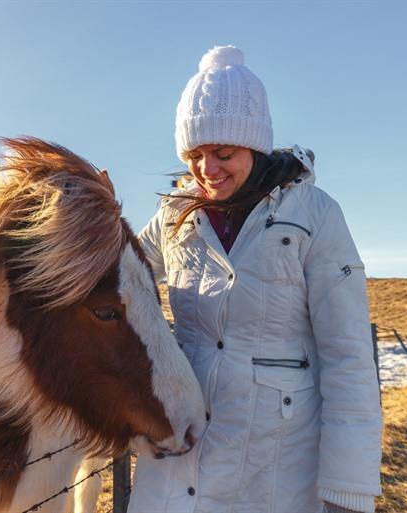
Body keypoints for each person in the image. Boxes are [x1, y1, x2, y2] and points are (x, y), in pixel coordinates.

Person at [128, 46, 382, 513]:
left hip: (276, 468)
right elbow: (117, 269)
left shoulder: (313, 214)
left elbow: (348, 357)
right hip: (177, 461)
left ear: (255, 143)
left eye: (223, 153)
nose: (208, 171)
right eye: (195, 156)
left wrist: (349, 489)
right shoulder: (172, 218)